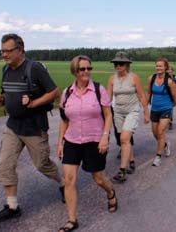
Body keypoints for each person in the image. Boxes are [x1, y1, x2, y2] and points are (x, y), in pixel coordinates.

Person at [0, 34, 64, 223]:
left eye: (8, 50)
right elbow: (8, 93)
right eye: (2, 50)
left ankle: (63, 184)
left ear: (20, 50)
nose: (4, 54)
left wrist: (33, 103)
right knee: (4, 165)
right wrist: (1, 100)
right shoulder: (5, 69)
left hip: (34, 127)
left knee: (42, 164)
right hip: (13, 125)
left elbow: (54, 92)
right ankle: (13, 206)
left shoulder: (35, 68)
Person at [56, 55, 117, 232]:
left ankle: (110, 192)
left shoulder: (99, 90)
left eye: (89, 68)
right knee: (69, 180)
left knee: (98, 178)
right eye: (82, 69)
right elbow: (64, 120)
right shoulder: (67, 92)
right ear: (75, 70)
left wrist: (105, 136)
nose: (86, 72)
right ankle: (72, 220)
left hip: (94, 141)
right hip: (72, 141)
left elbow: (107, 115)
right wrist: (60, 143)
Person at [107, 51, 149, 183]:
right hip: (118, 112)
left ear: (127, 65)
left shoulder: (133, 77)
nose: (118, 66)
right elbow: (107, 100)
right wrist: (104, 114)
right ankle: (131, 161)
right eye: (116, 64)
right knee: (124, 139)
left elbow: (142, 96)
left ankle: (122, 171)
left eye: (121, 64)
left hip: (132, 111)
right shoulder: (111, 79)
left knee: (124, 138)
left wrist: (146, 112)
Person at [148, 58, 176, 167]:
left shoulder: (169, 81)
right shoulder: (151, 78)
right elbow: (148, 94)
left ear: (165, 68)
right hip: (154, 109)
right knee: (155, 133)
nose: (158, 68)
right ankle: (165, 144)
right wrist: (145, 108)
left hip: (166, 108)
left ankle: (158, 157)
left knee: (160, 132)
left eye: (161, 66)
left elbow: (175, 97)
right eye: (157, 66)